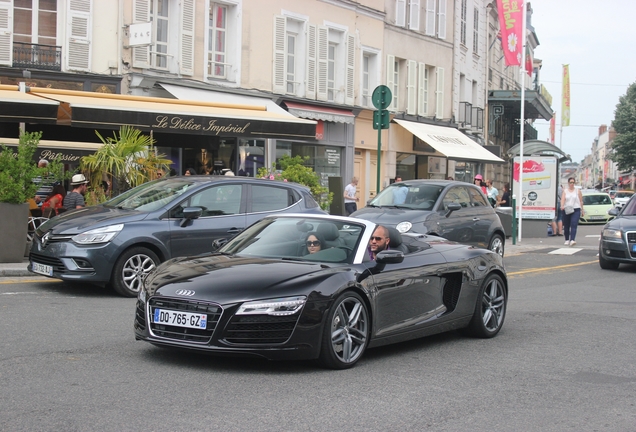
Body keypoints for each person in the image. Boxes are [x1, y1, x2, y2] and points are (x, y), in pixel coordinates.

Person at [560, 177, 585, 246]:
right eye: (570, 182)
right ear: (568, 183)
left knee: (574, 224)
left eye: (573, 182)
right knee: (567, 225)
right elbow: (562, 199)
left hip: (576, 209)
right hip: (567, 209)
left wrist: (582, 210)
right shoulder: (565, 191)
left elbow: (581, 201)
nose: (572, 184)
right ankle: (567, 239)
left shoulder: (578, 191)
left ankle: (572, 239)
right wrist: (562, 206)